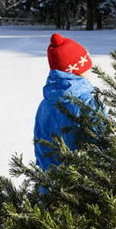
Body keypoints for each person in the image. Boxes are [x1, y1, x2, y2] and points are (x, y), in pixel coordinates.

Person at [34, 33, 98, 171]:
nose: (91, 70)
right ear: (79, 70)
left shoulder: (45, 104)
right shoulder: (87, 103)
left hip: (49, 177)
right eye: (88, 66)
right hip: (82, 178)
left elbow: (39, 142)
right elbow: (104, 139)